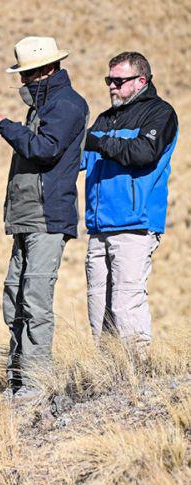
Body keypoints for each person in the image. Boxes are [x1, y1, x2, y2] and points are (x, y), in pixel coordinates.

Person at [0, 36, 89, 397]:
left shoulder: (67, 104)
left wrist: (6, 128)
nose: (22, 82)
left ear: (46, 70)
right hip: (27, 219)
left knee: (35, 300)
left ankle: (37, 383)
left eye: (27, 75)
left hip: (47, 218)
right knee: (14, 297)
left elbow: (45, 149)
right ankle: (18, 379)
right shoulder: (42, 106)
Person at [82, 51, 179, 352]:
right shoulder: (104, 118)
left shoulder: (160, 114)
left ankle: (139, 380)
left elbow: (143, 153)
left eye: (118, 81)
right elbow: (81, 159)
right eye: (108, 80)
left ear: (141, 80)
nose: (111, 86)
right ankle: (108, 379)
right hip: (99, 228)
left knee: (126, 305)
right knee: (98, 311)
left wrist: (99, 142)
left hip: (134, 226)